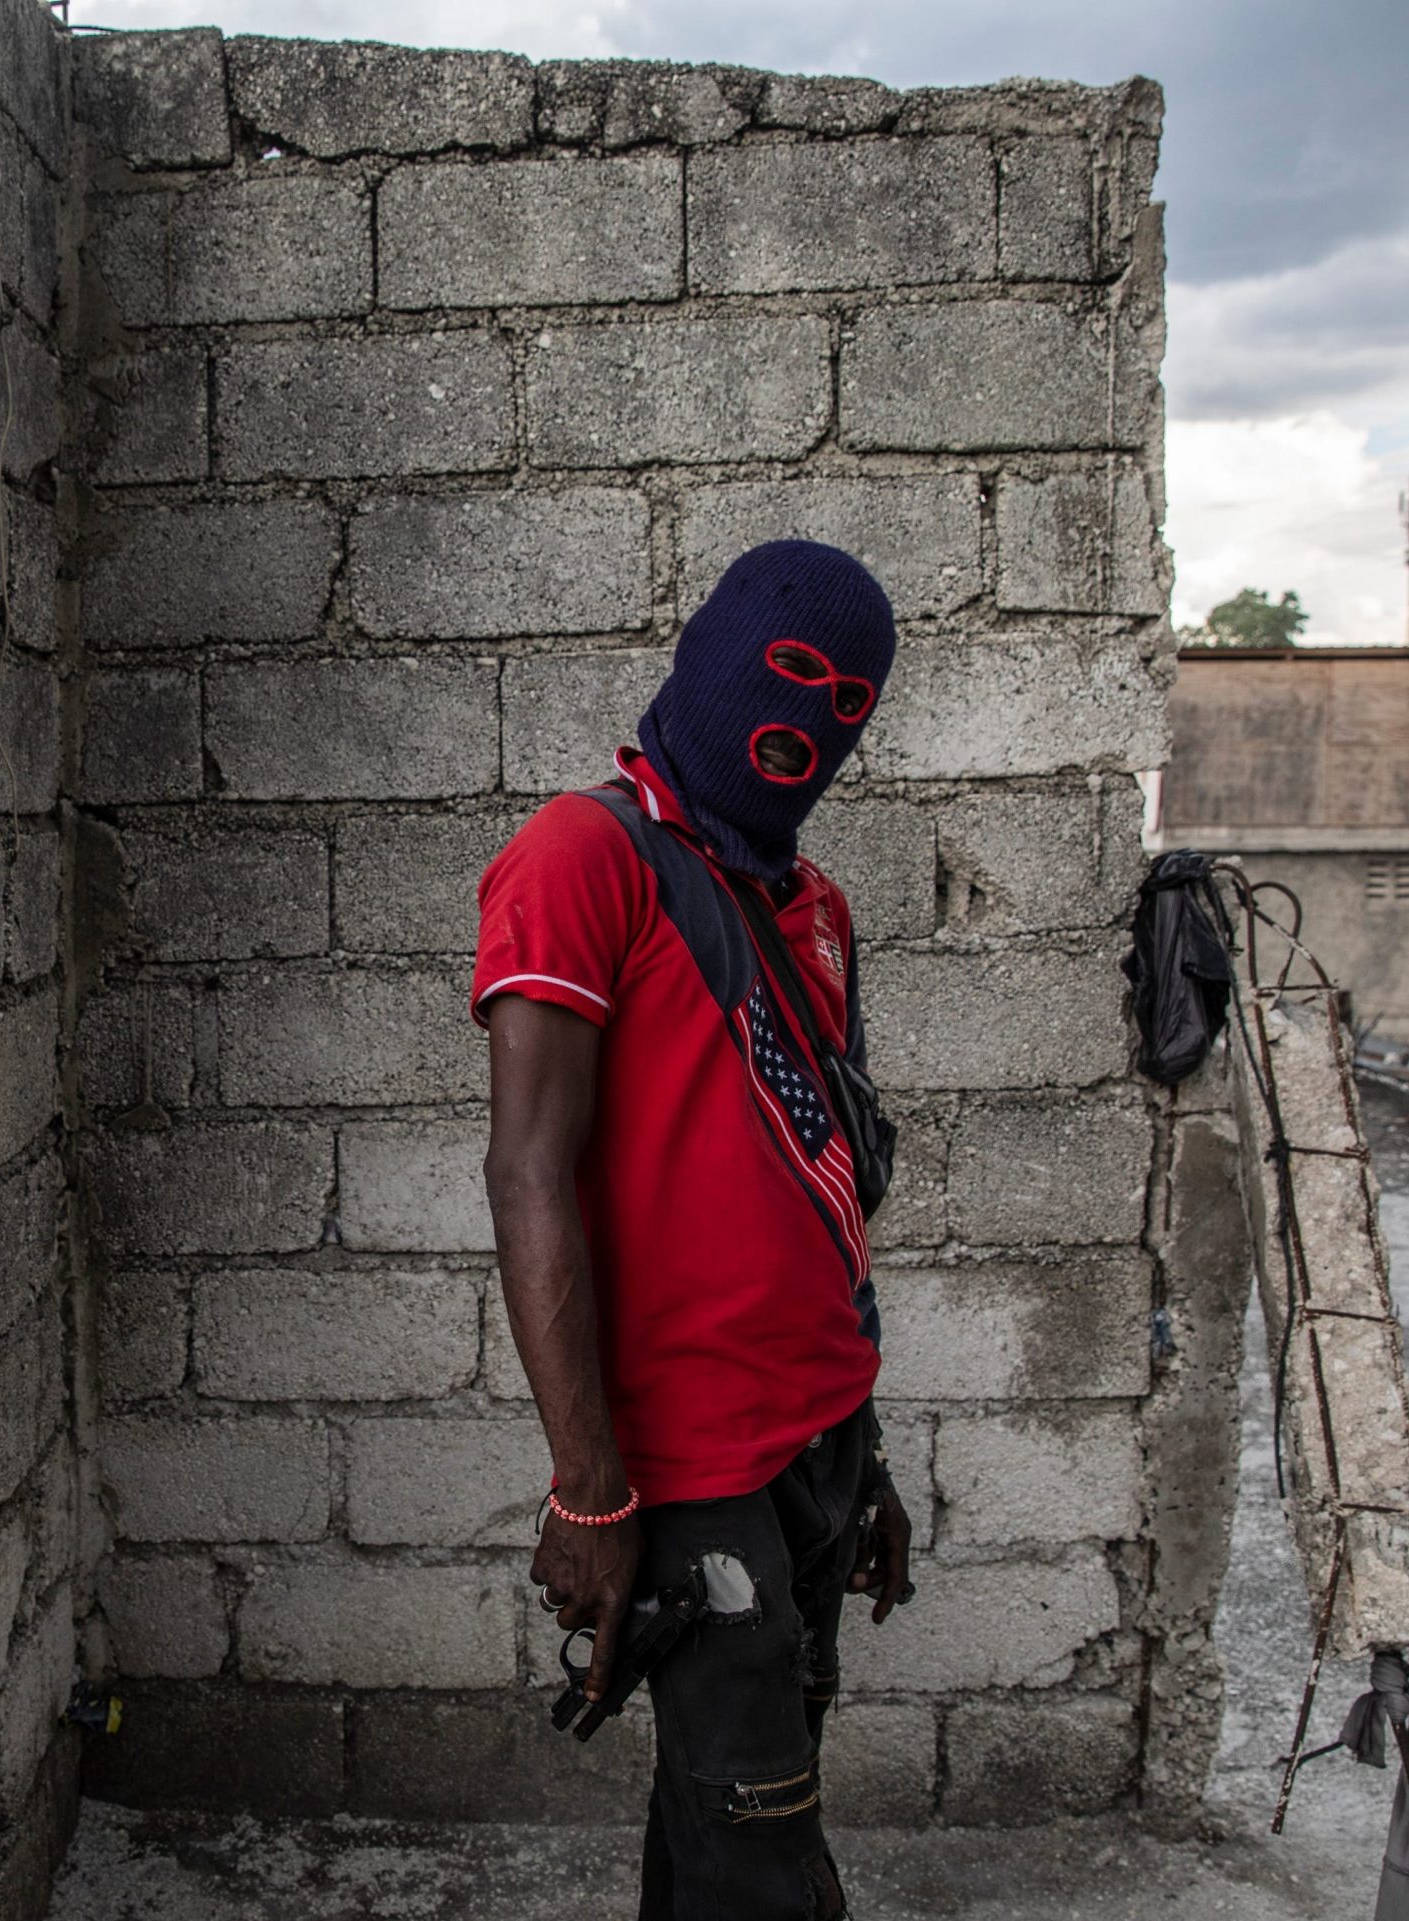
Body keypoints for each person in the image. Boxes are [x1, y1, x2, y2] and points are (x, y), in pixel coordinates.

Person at [473, 540, 914, 1920]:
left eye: (839, 699)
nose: (803, 721)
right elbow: (527, 1173)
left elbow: (820, 1202)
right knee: (767, 1864)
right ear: (706, 651)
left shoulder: (812, 907)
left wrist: (868, 1453)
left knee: (723, 1828)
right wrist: (589, 1483)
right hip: (691, 1474)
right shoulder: (584, 855)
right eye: (783, 675)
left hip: (817, 1453)